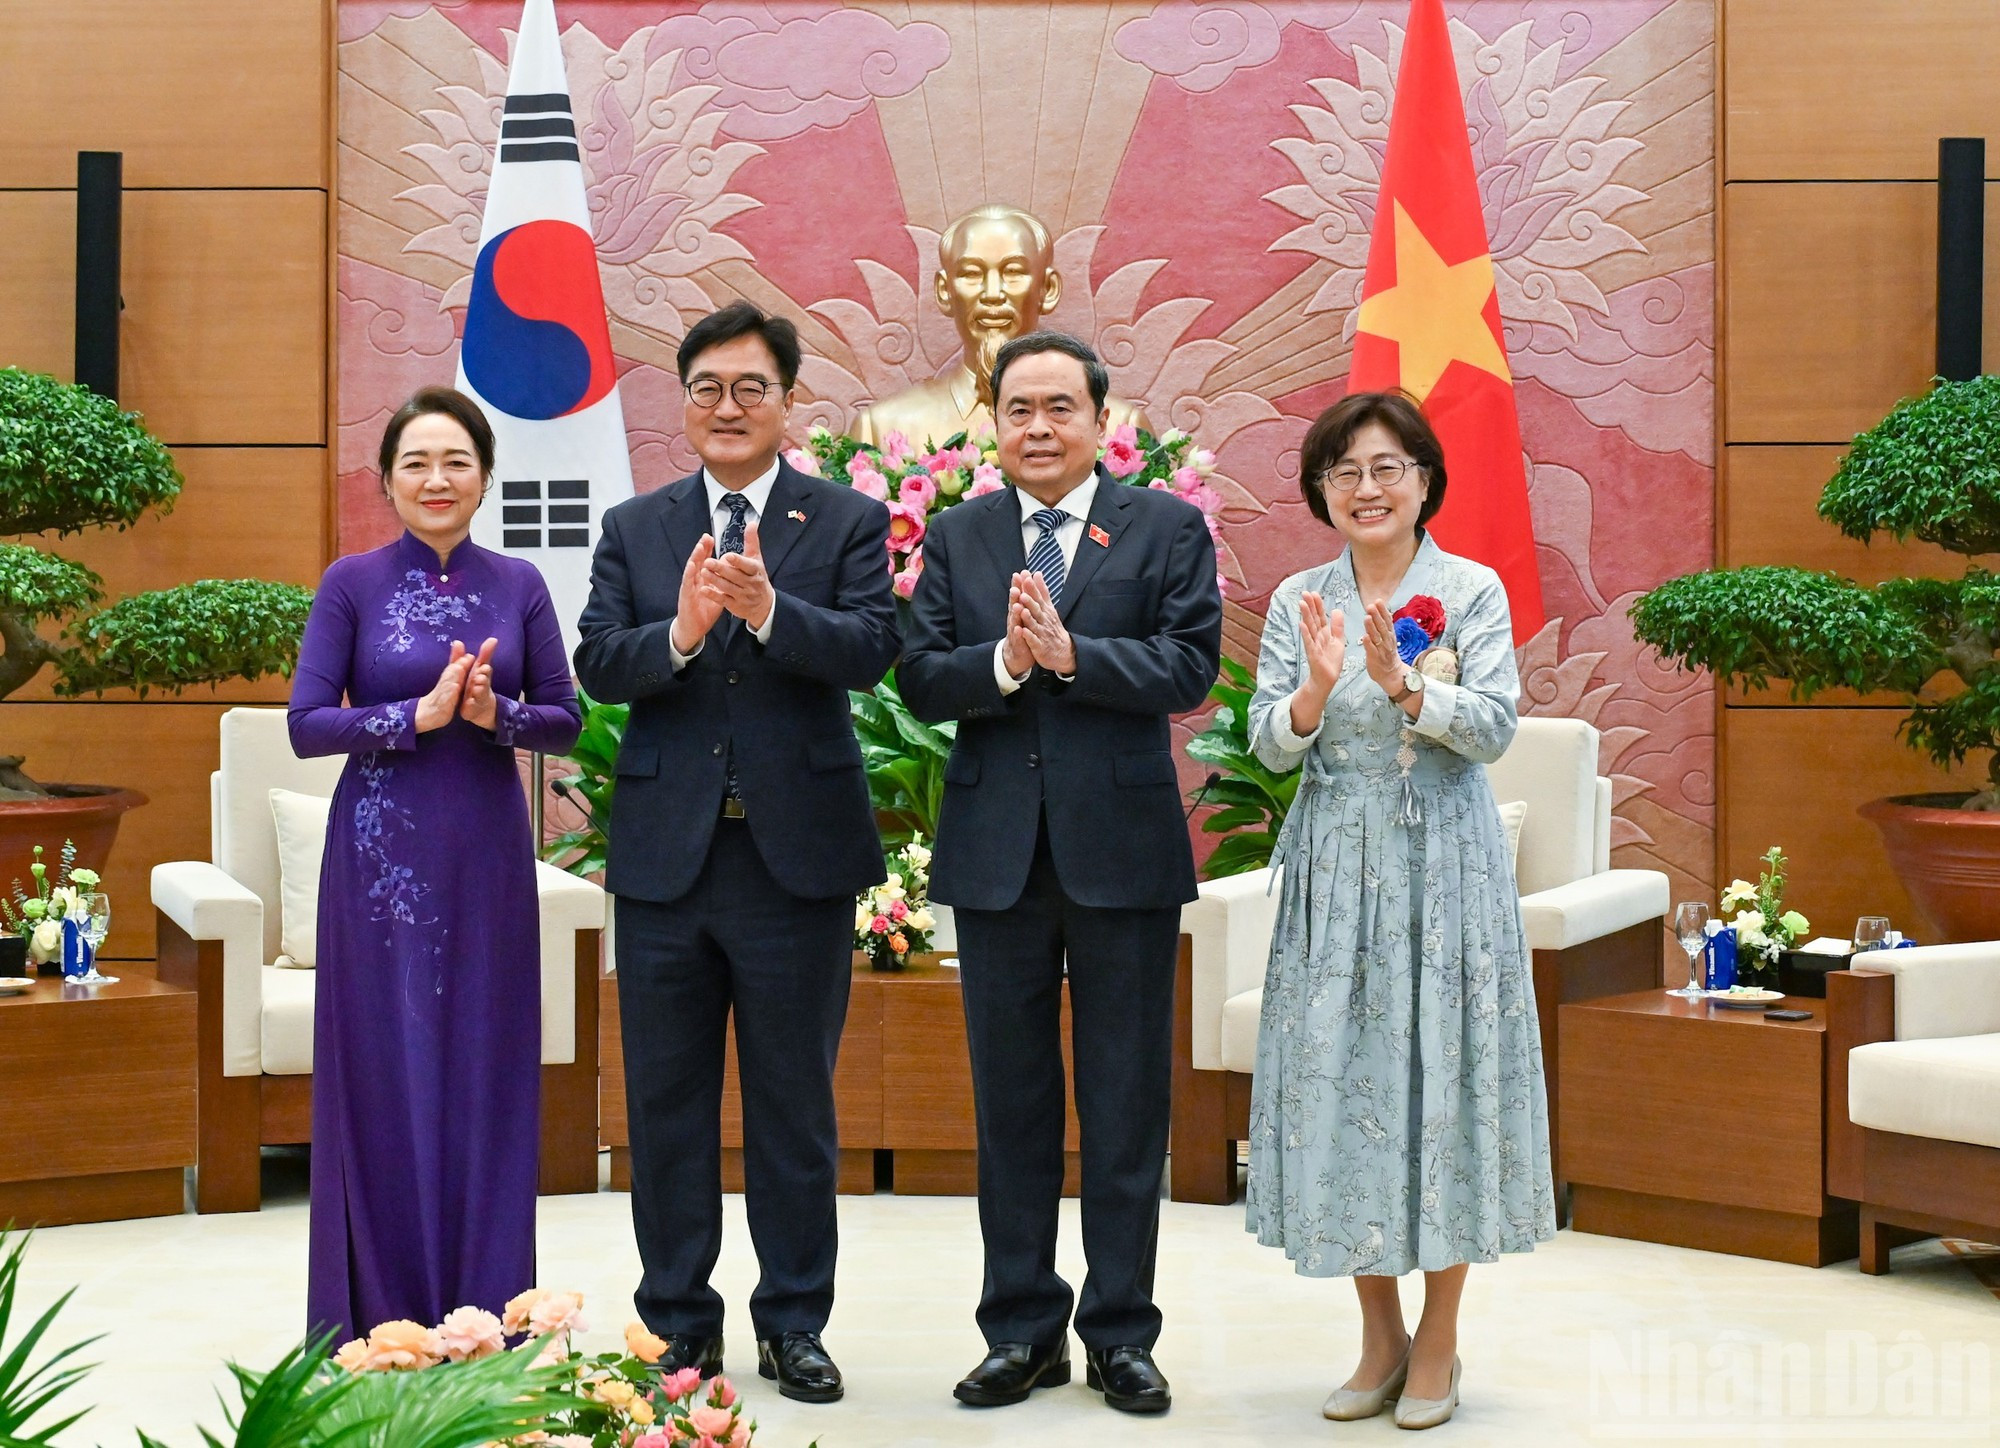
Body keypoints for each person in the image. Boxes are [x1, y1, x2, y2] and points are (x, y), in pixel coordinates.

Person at [574, 301, 899, 1403]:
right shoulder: (637, 525)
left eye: (750, 387)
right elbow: (599, 663)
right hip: (667, 861)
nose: (726, 405)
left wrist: (767, 610)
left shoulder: (846, 518)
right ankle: (676, 1325)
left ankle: (794, 1322)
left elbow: (872, 650)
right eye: (707, 386)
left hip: (792, 862)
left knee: (792, 1108)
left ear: (787, 401)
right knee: (664, 1107)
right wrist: (678, 632)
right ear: (683, 401)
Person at [900, 330, 1222, 1416]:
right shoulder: (957, 534)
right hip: (997, 862)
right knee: (1013, 1108)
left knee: (1127, 1105)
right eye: (1017, 408)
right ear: (992, 422)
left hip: (1122, 860)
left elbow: (1188, 664)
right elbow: (920, 674)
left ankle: (1121, 1334)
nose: (1037, 427)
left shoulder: (1164, 527)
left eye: (1058, 408)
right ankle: (1020, 1330)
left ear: (1099, 421)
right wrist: (1004, 660)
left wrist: (1075, 657)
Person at [1244, 391, 1556, 1431]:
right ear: (1320, 490)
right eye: (1343, 470)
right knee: (1343, 1083)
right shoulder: (1301, 595)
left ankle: (1438, 1336)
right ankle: (1376, 1329)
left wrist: (1408, 690)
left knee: (1442, 1081)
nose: (1364, 487)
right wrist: (1313, 689)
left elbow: (1497, 724)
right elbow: (1267, 745)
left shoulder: (1468, 590)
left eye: (1385, 467)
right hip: (1335, 866)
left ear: (1423, 479)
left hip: (1444, 873)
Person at [290, 386, 582, 1345]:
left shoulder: (521, 583)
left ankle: (483, 1314)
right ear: (386, 481)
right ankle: (377, 1322)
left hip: (487, 860)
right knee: (384, 1068)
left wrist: (495, 716)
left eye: (456, 461)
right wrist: (408, 719)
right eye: (415, 462)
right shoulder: (351, 583)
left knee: (485, 1071)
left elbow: (567, 719)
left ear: (486, 476)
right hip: (376, 862)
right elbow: (305, 725)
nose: (436, 479)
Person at [851, 204, 1149, 448]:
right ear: (944, 290)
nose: (992, 293)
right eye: (971, 274)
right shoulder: (880, 430)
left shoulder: (1120, 428)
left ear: (1048, 289)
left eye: (1013, 273)